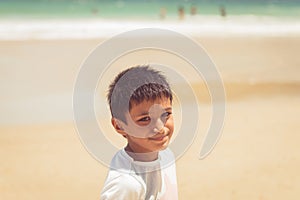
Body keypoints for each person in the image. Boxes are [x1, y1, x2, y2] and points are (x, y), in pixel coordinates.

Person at [100, 65, 178, 200]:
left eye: (165, 114)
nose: (160, 127)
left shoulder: (166, 156)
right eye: (145, 119)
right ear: (119, 126)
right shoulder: (126, 184)